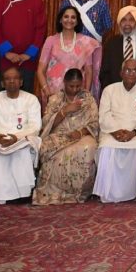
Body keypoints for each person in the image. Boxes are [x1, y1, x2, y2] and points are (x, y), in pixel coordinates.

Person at [34, 68, 99, 206]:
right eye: (71, 86)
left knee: (88, 148)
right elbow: (46, 124)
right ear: (64, 83)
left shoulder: (88, 99)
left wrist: (80, 133)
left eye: (78, 86)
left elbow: (94, 123)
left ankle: (78, 193)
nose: (75, 89)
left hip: (82, 134)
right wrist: (64, 111)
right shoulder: (55, 99)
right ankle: (55, 193)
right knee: (50, 149)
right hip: (59, 135)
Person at [0, 67, 43, 204]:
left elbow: (35, 126)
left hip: (23, 138)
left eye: (15, 78)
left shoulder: (31, 99)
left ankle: (22, 194)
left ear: (21, 82)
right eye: (7, 79)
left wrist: (17, 138)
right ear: (2, 83)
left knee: (22, 150)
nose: (11, 81)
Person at [94, 58, 136, 203]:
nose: (131, 73)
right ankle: (107, 191)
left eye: (135, 70)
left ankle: (127, 191)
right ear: (121, 73)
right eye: (128, 70)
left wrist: (133, 132)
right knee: (105, 147)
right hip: (111, 131)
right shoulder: (109, 90)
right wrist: (115, 131)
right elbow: (104, 114)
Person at [37, 5, 98, 103]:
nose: (69, 20)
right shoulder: (50, 40)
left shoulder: (85, 42)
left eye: (73, 17)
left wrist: (85, 94)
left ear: (77, 21)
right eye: (66, 16)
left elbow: (89, 71)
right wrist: (47, 92)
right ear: (60, 19)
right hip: (52, 94)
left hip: (76, 93)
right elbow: (40, 70)